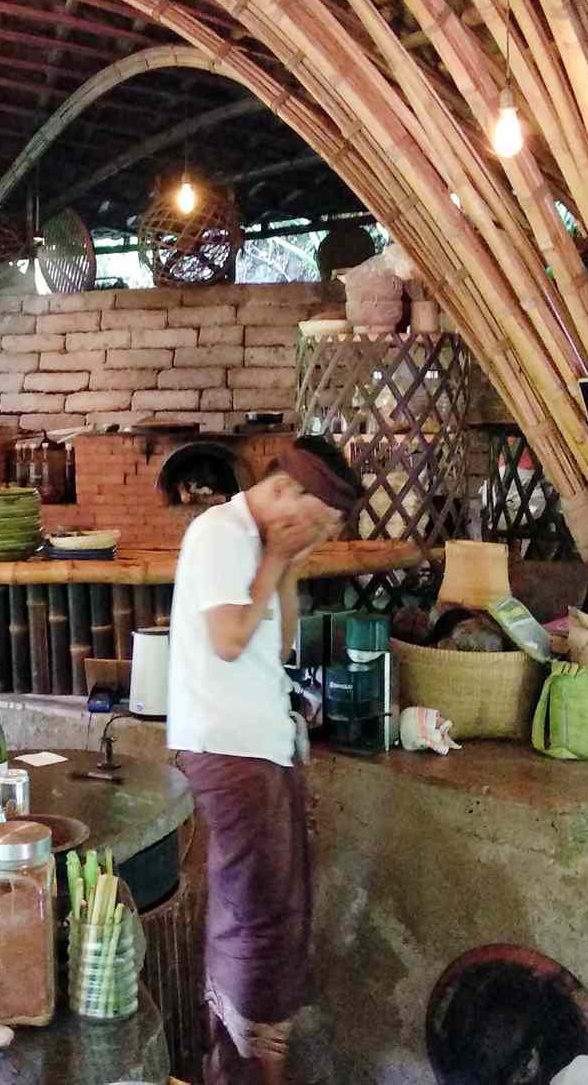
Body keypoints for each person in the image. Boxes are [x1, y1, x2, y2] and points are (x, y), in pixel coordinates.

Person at [167, 436, 362, 1085]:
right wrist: (276, 553)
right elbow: (226, 641)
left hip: (260, 744)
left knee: (273, 914)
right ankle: (240, 1070)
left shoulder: (259, 544)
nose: (324, 534)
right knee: (255, 916)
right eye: (321, 521)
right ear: (285, 492)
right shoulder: (220, 533)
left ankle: (248, 1061)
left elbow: (274, 644)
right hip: (227, 748)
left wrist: (289, 564)